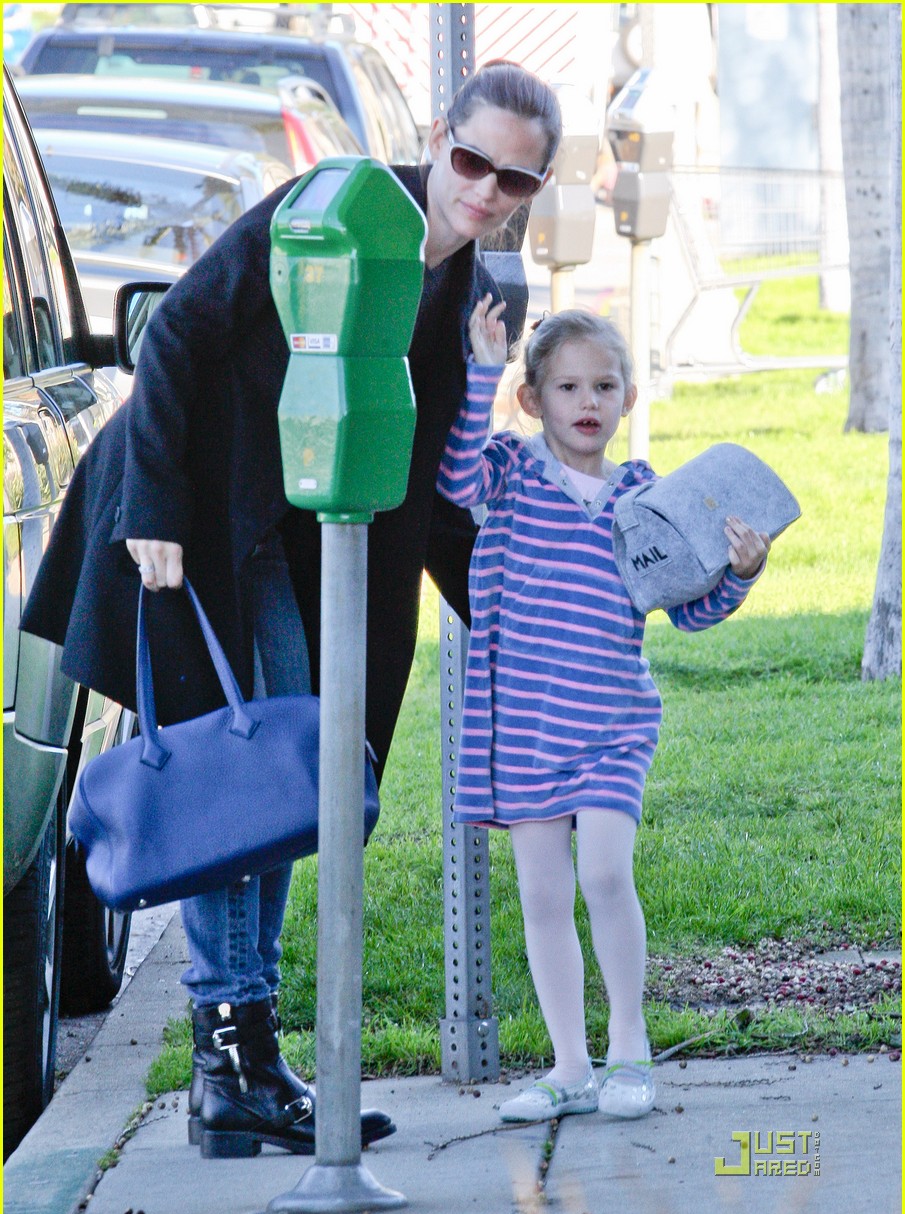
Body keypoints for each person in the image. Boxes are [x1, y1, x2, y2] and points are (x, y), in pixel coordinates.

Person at [21, 62, 563, 1157]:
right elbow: (174, 331)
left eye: (515, 178)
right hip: (193, 510)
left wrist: (517, 596)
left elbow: (424, 466)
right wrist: (156, 510)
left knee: (286, 783)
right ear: (434, 137)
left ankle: (240, 1067)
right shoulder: (334, 208)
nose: (485, 191)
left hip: (300, 534)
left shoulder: (472, 292)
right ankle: (235, 1055)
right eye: (470, 161)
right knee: (241, 780)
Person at [436, 304, 769, 1122]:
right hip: (522, 723)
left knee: (605, 873)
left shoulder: (643, 498)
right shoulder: (508, 476)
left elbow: (685, 610)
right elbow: (451, 480)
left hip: (613, 720)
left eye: (605, 385)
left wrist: (737, 574)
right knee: (544, 898)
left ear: (625, 398)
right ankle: (569, 1067)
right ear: (533, 399)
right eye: (568, 386)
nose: (588, 401)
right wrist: (482, 367)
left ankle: (629, 1050)